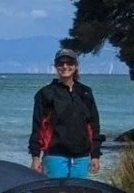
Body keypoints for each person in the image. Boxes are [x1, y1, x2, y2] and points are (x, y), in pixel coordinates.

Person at [30, 48, 103, 177]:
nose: (65, 66)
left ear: (76, 65)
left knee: (79, 190)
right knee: (56, 190)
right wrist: (35, 157)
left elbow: (93, 126)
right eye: (60, 63)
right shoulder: (45, 93)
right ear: (55, 66)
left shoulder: (85, 92)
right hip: (55, 155)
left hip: (82, 156)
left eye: (69, 62)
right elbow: (38, 127)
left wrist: (95, 155)